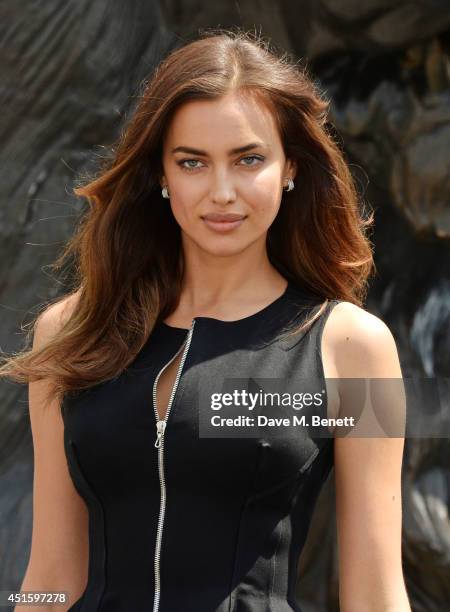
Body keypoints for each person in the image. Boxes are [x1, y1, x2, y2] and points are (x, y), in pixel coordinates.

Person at [1, 29, 411, 612]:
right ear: (162, 176)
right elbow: (49, 574)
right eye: (192, 162)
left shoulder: (356, 348)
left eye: (249, 159)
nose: (222, 192)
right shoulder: (69, 334)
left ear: (289, 168)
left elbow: (375, 592)